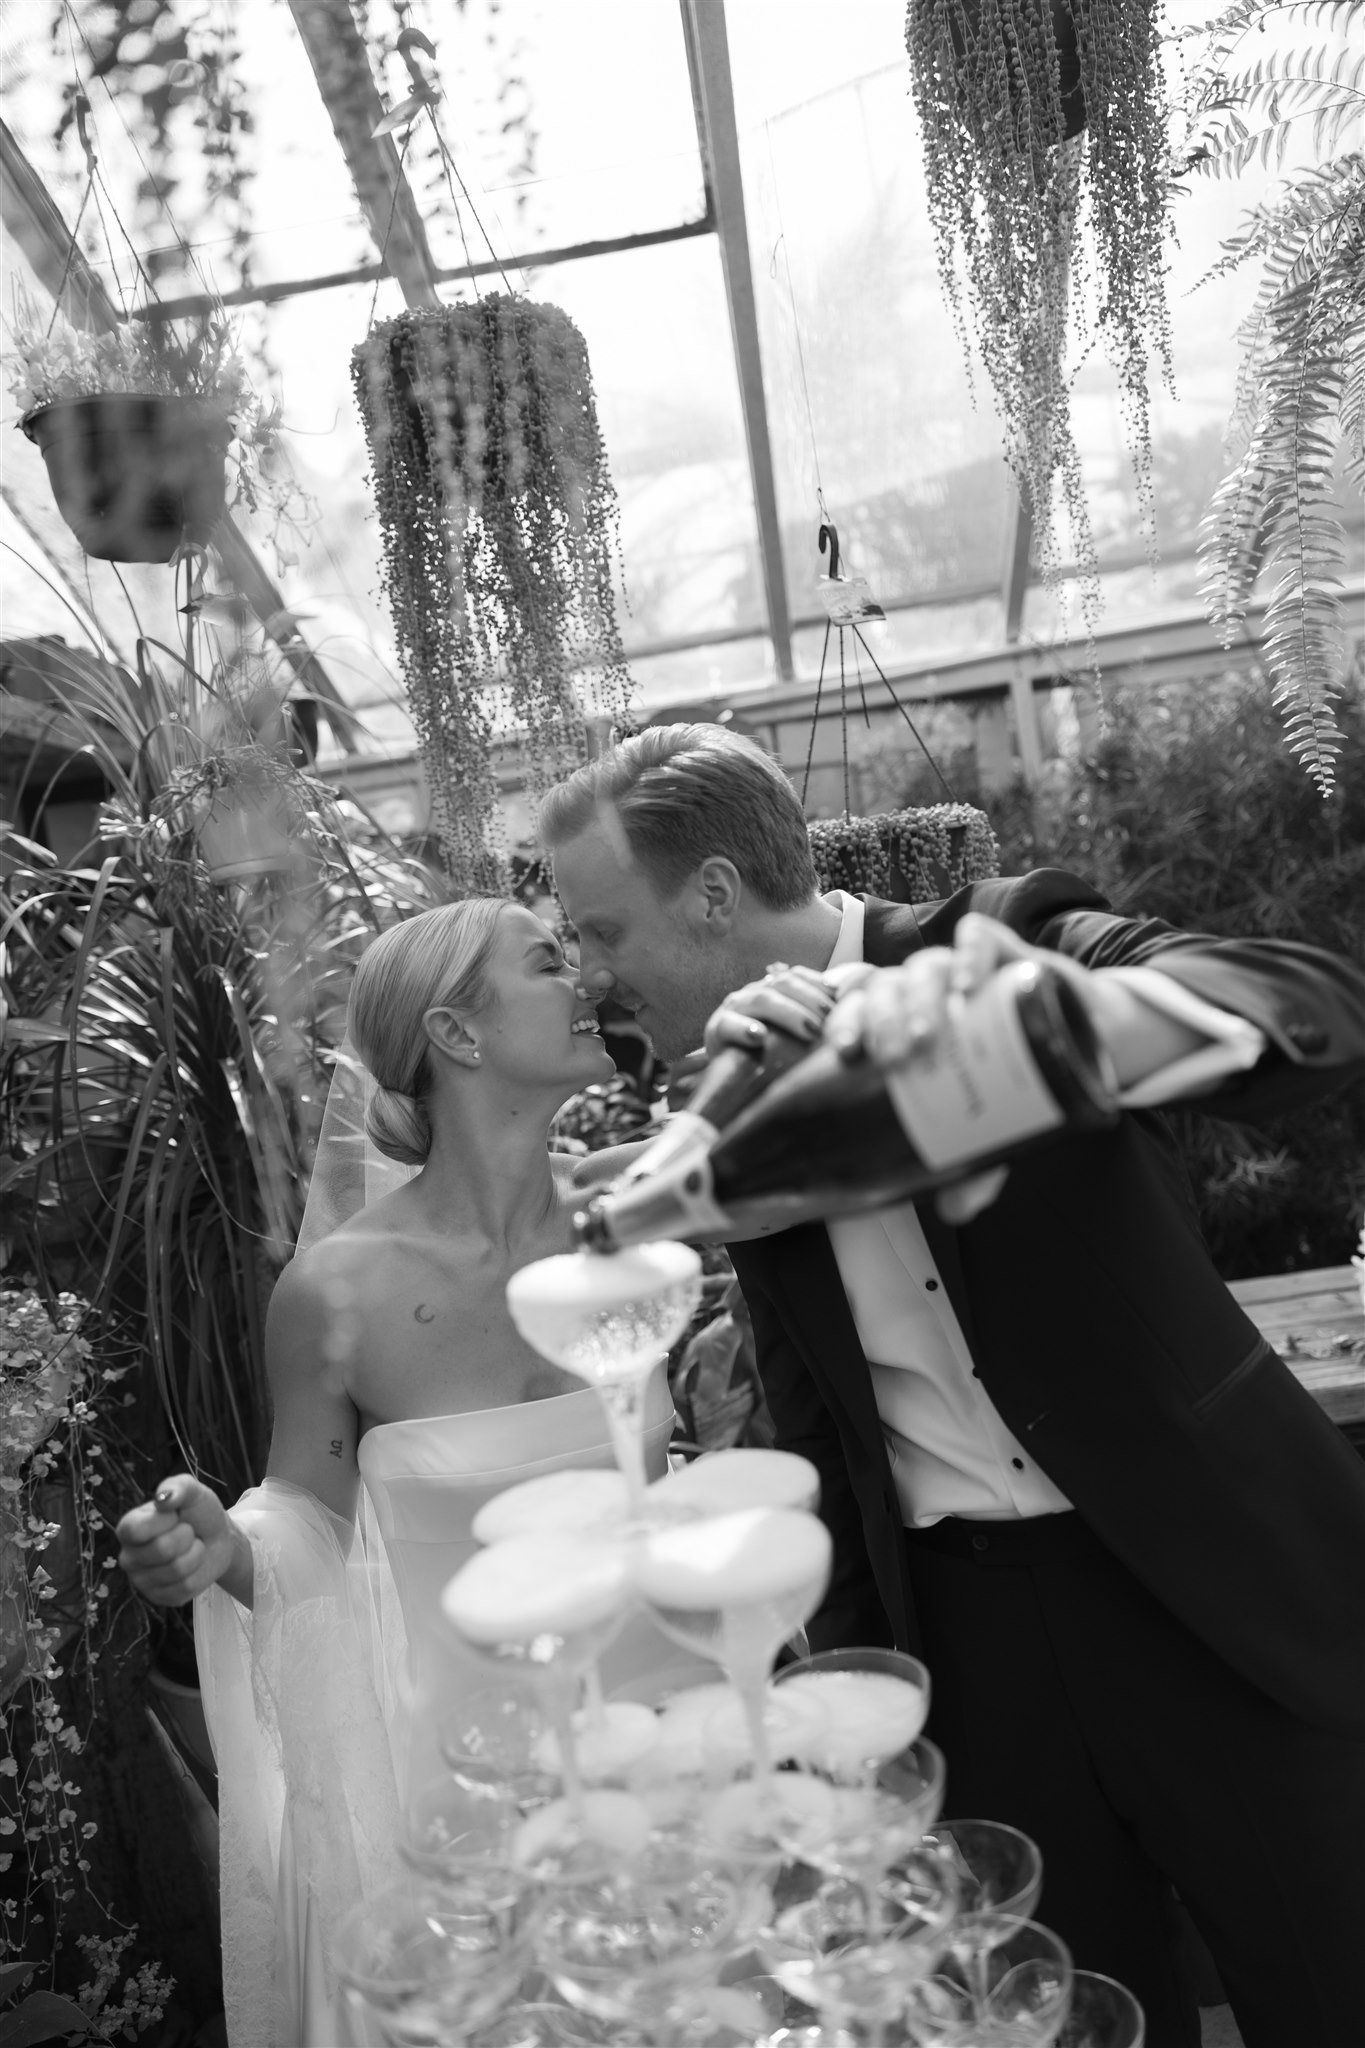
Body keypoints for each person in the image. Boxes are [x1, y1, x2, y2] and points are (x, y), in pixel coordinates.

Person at [542, 721, 1365, 2048]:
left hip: (1211, 1592)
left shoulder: (1006, 940)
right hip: (972, 1655)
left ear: (709, 895)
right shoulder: (722, 1105)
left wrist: (1013, 1035)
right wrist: (854, 1698)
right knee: (1064, 2019)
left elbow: (1312, 1008)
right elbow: (819, 1414)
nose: (591, 978)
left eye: (600, 934)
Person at [115, 898, 696, 2048]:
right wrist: (217, 1545)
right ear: (458, 1033)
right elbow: (304, 1526)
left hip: (670, 1741)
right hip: (458, 1785)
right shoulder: (337, 1292)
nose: (585, 975)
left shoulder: (643, 1216)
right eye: (547, 961)